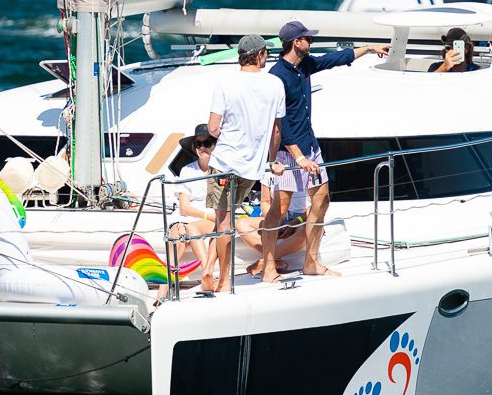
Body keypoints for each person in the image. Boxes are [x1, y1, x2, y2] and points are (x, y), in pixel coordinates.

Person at [268, 21, 385, 278]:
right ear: (296, 42)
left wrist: (367, 49)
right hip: (290, 153)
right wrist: (298, 157)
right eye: (307, 39)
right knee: (280, 209)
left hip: (311, 147)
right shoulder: (277, 76)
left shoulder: (305, 65)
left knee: (322, 201)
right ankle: (267, 265)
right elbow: (281, 123)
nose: (311, 43)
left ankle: (311, 262)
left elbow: (335, 58)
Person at [205, 35, 285, 292]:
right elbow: (275, 131)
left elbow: (213, 127)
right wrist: (271, 160)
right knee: (228, 218)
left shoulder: (225, 83)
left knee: (222, 221)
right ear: (260, 54)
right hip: (252, 166)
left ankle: (223, 278)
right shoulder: (275, 84)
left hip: (225, 162)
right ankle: (213, 274)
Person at [164, 125, 219, 281]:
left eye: (207, 143)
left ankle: (207, 274)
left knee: (188, 231)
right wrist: (207, 215)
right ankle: (162, 292)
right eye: (198, 144)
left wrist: (210, 216)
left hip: (209, 217)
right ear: (194, 147)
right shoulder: (187, 170)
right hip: (190, 216)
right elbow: (184, 208)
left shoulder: (222, 169)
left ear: (214, 146)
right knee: (177, 243)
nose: (202, 148)